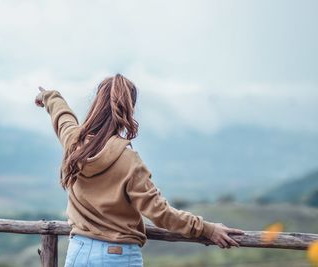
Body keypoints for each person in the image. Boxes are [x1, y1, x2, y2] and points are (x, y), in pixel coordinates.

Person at [34, 73, 244, 267]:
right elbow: (160, 213)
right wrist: (207, 228)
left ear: (96, 104)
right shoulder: (128, 160)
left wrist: (49, 96)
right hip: (116, 257)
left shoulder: (73, 141)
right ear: (128, 109)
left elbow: (62, 116)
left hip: (78, 252)